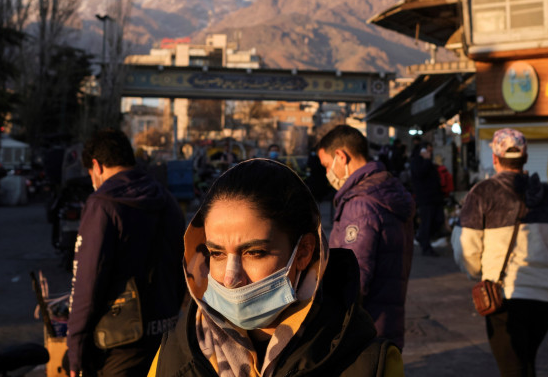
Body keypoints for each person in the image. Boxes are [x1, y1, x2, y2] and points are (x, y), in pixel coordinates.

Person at [148, 159, 404, 376]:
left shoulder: (369, 363)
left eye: (254, 253)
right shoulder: (174, 355)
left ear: (303, 252)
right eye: (216, 253)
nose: (230, 278)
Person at [67, 128, 186, 377]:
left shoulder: (103, 204)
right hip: (167, 333)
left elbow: (87, 282)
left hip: (119, 340)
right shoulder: (167, 199)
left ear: (96, 166)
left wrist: (76, 346)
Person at [453, 128, 548, 377]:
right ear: (525, 158)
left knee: (512, 369)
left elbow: (465, 246)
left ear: (495, 158)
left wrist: (480, 274)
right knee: (526, 363)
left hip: (503, 296)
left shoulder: (482, 193)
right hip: (544, 297)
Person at [316, 124, 415, 350]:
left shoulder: (360, 205)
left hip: (362, 329)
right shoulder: (386, 190)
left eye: (326, 165)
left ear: (341, 156)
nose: (327, 173)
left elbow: (354, 278)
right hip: (387, 320)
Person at [410, 141, 445, 256]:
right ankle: (425, 246)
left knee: (438, 219)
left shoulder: (429, 161)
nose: (430, 152)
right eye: (428, 150)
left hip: (436, 197)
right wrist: (426, 160)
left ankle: (421, 237)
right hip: (425, 198)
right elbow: (420, 174)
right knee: (427, 222)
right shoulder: (417, 161)